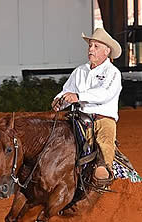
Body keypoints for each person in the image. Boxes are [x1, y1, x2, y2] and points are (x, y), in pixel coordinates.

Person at [51, 28, 122, 186]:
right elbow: (66, 91)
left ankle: (104, 168)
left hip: (103, 118)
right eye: (90, 46)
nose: (91, 49)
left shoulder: (113, 73)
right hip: (80, 118)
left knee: (105, 139)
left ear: (107, 51)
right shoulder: (79, 71)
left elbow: (105, 93)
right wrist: (59, 101)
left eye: (96, 46)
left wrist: (79, 97)